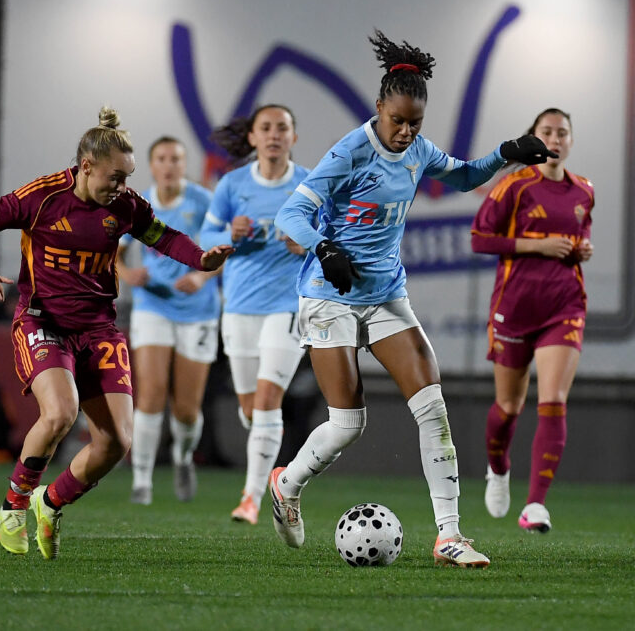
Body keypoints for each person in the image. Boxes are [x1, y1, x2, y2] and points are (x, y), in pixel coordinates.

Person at [271, 30, 557, 568]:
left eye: (415, 123)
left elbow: (465, 176)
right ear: (379, 107)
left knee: (433, 409)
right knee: (348, 424)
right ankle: (287, 486)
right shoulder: (350, 151)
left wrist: (508, 153)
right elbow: (290, 215)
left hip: (385, 296)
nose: (405, 132)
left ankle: (449, 536)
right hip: (329, 296)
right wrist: (324, 246)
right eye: (397, 120)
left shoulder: (418, 150)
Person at [0, 107, 233, 560]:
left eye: (128, 177)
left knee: (116, 442)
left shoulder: (124, 206)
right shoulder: (43, 196)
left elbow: (164, 237)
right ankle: (13, 505)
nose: (123, 187)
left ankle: (50, 502)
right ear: (86, 166)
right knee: (59, 414)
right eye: (115, 177)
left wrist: (201, 259)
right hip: (43, 321)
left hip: (99, 328)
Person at [472, 108, 592, 533]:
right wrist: (537, 246)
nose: (555, 139)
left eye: (562, 132)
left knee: (554, 400)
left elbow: (577, 239)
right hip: (515, 306)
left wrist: (580, 251)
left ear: (572, 141)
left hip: (564, 305)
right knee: (508, 408)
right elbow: (479, 239)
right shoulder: (514, 185)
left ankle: (535, 505)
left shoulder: (583, 191)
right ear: (535, 137)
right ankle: (498, 469)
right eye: (547, 132)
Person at [198, 104, 310, 525]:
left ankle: (252, 498)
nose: (274, 135)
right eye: (266, 128)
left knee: (266, 401)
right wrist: (230, 234)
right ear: (253, 138)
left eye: (283, 127)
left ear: (293, 137)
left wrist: (308, 243)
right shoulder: (232, 185)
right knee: (251, 410)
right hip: (240, 307)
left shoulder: (309, 184)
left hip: (288, 306)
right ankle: (269, 467)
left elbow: (332, 236)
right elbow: (206, 236)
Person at [117, 136, 221, 505]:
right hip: (153, 307)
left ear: (183, 163)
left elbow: (221, 253)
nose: (169, 165)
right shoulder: (137, 206)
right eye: (161, 158)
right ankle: (141, 481)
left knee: (187, 409)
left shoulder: (203, 202)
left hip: (198, 311)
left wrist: (201, 276)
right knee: (151, 394)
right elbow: (114, 252)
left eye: (176, 158)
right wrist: (128, 277)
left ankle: (182, 457)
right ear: (152, 164)